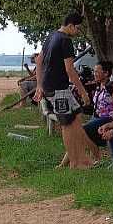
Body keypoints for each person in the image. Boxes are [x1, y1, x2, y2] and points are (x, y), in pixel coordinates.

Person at [33, 12, 94, 169]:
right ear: (71, 26)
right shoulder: (65, 41)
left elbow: (39, 61)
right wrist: (83, 92)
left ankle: (78, 157)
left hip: (53, 87)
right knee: (67, 124)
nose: (78, 32)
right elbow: (70, 70)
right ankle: (75, 162)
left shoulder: (52, 35)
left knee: (77, 115)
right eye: (78, 29)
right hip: (58, 89)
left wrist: (39, 85)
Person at [83, 61, 113, 149]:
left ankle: (95, 156)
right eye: (94, 71)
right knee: (79, 131)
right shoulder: (99, 86)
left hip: (109, 119)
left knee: (82, 131)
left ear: (106, 73)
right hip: (98, 117)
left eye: (96, 72)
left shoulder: (111, 87)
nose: (94, 74)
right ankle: (68, 161)